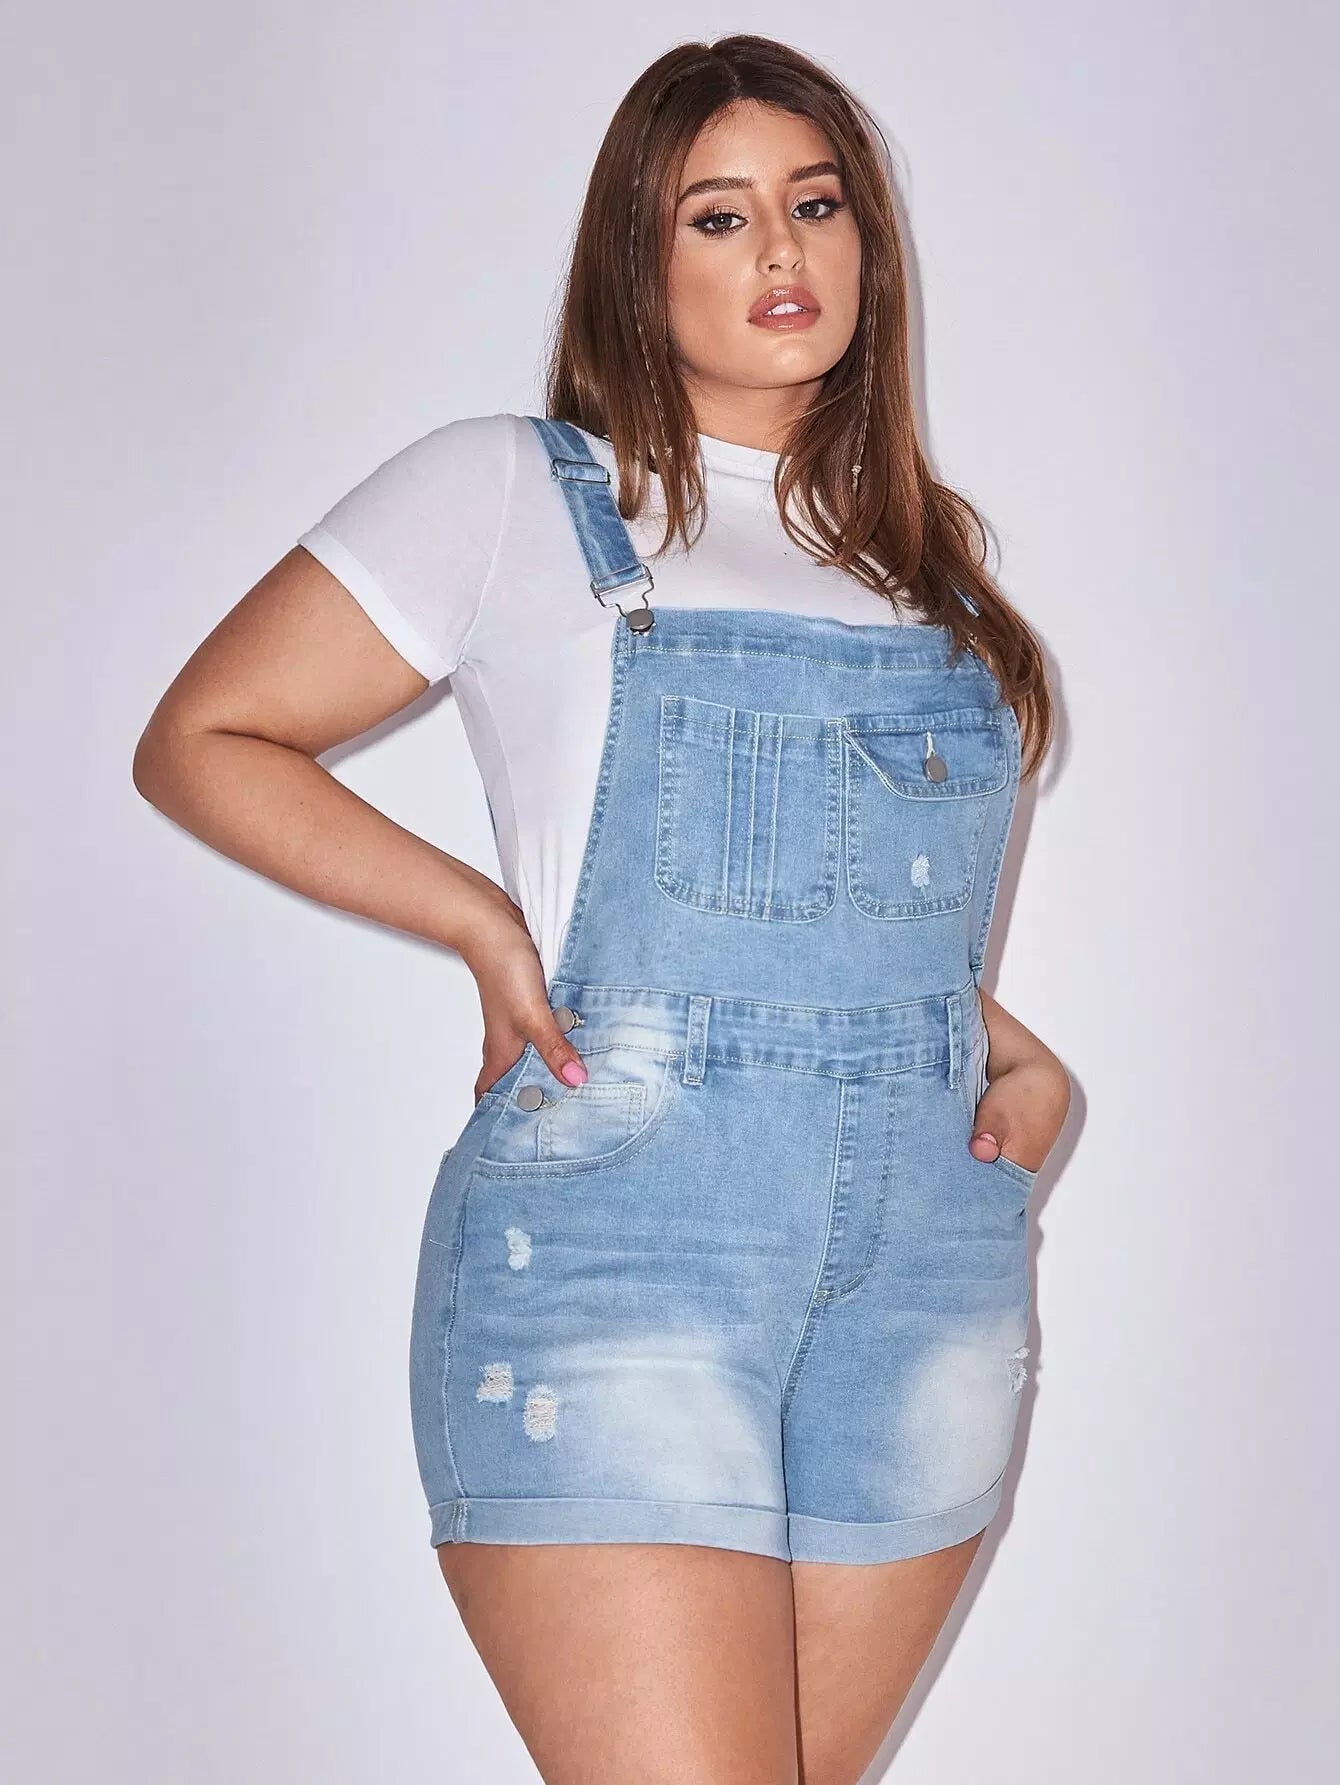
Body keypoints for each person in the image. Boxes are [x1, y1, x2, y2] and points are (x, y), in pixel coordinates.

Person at [133, 32, 1072, 1785]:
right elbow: (206, 736)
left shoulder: (926, 569)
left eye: (818, 205)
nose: (781, 250)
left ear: (870, 243)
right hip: (624, 1255)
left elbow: (856, 910)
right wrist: (486, 923)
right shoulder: (522, 494)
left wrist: (1011, 1052)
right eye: (719, 216)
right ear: (639, 262)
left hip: (925, 1280)